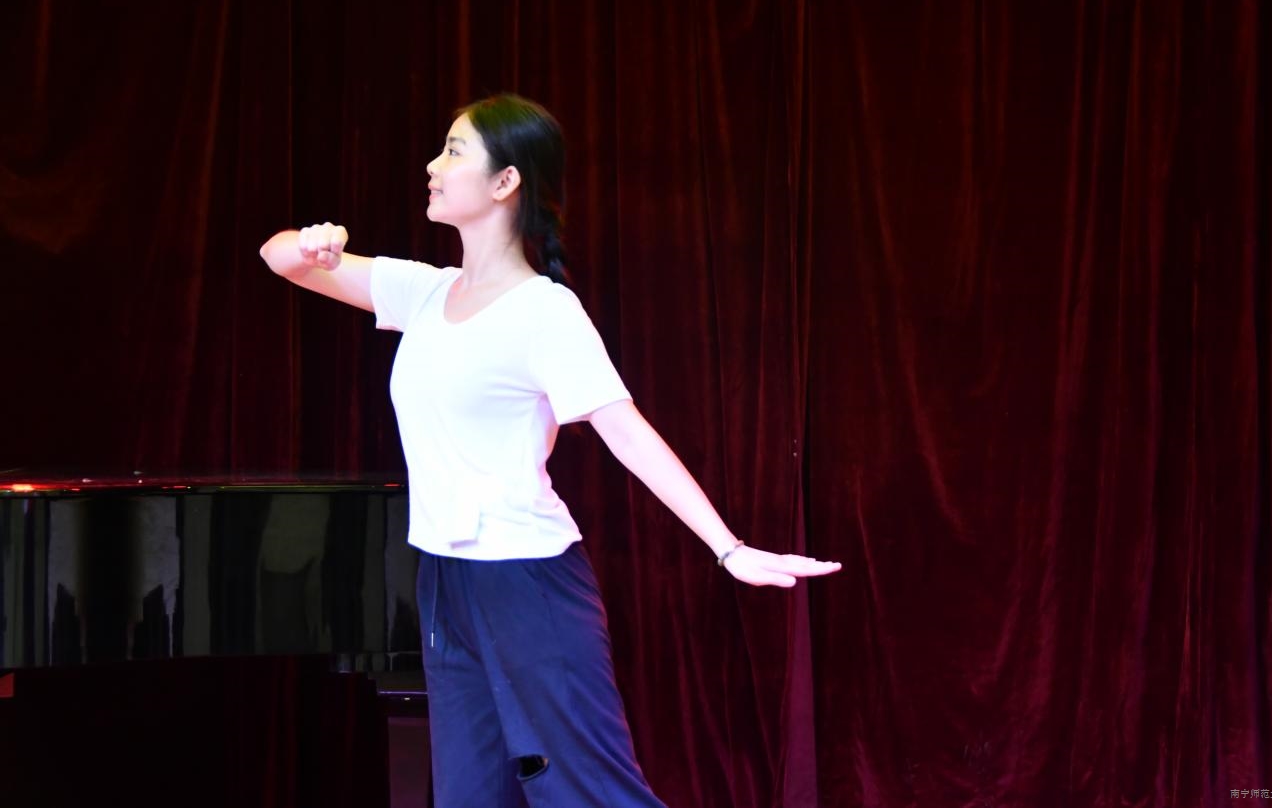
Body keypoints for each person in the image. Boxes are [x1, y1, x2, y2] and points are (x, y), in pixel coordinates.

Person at [259, 93, 841, 807]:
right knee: (470, 797)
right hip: (445, 579)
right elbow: (277, 258)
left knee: (593, 795)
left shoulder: (544, 311)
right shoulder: (424, 292)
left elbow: (626, 431)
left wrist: (729, 548)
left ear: (506, 182)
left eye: (454, 151)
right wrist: (311, 243)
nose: (433, 165)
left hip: (527, 581)